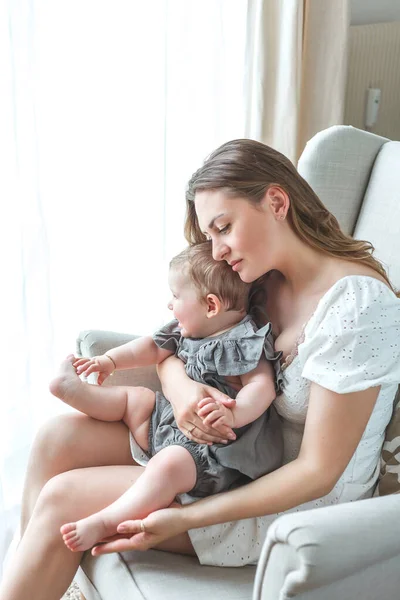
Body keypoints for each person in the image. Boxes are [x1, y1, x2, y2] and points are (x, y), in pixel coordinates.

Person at [2, 138, 400, 600]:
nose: (215, 251)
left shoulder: (357, 305)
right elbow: (177, 343)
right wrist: (183, 389)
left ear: (276, 201)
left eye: (223, 227)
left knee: (63, 499)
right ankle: (34, 577)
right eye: (210, 234)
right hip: (224, 452)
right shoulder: (258, 279)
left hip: (288, 496)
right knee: (58, 437)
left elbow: (318, 472)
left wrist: (185, 518)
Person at [49, 242, 282, 553]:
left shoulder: (245, 341)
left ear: (211, 305)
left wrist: (234, 413)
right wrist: (111, 361)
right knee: (137, 400)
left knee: (168, 466)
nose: (169, 305)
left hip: (208, 454)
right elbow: (149, 347)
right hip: (167, 424)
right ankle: (76, 390)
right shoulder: (184, 329)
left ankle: (106, 521)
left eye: (176, 296)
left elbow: (262, 387)